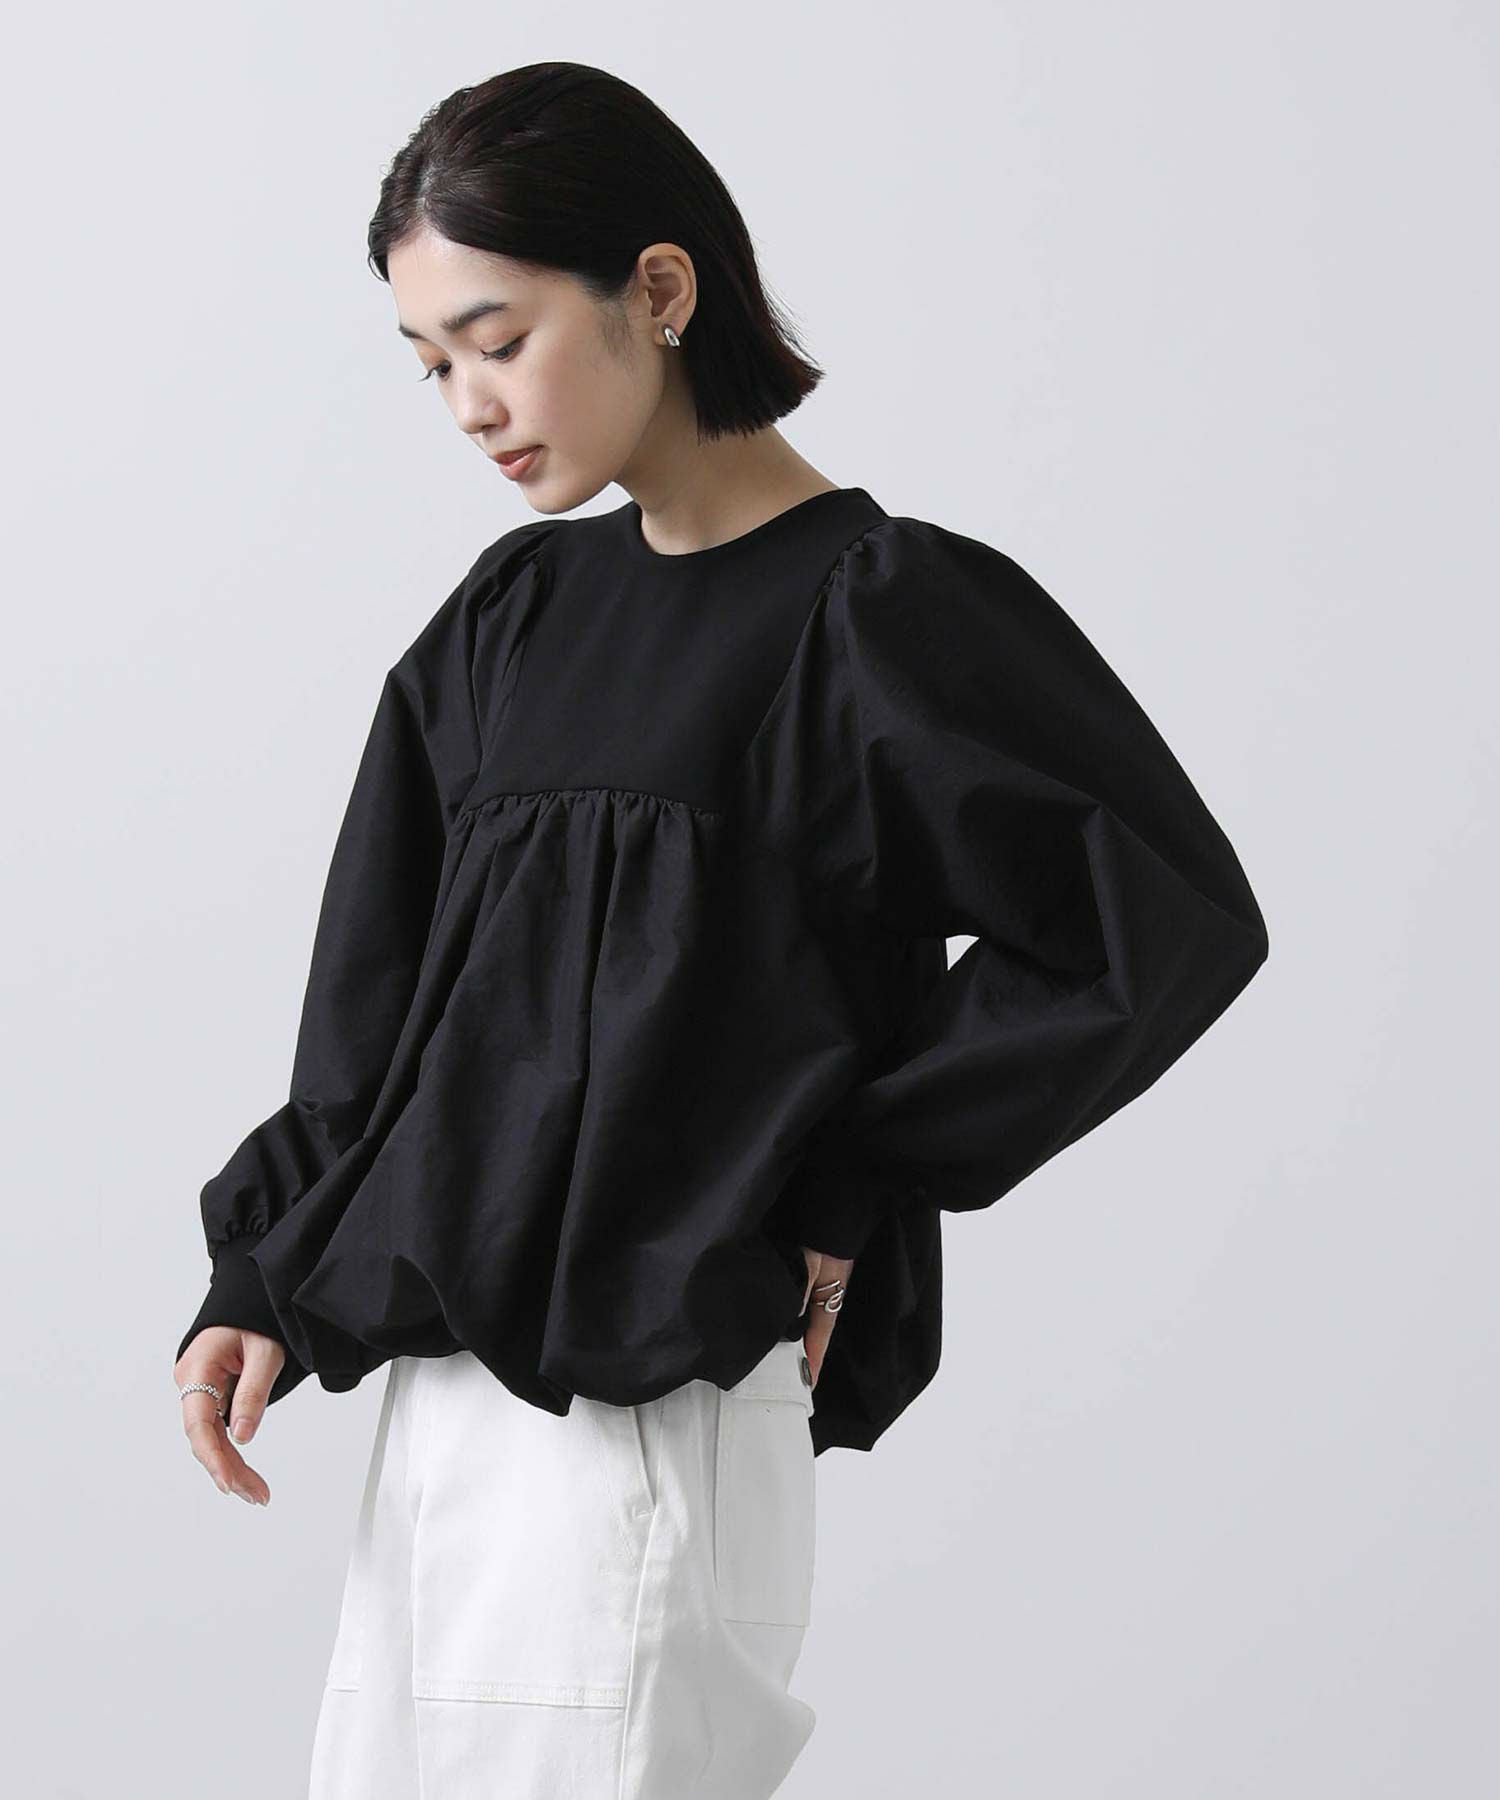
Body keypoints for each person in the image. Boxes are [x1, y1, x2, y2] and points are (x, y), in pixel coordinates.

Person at [171, 60, 1269, 1800]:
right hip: (442, 1418)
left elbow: (1158, 919)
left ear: (661, 290)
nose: (467, 403)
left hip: (655, 1410)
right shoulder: (515, 616)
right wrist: (264, 1279)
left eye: (496, 338)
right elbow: (382, 1008)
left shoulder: (877, 615)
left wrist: (854, 1170)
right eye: (431, 363)